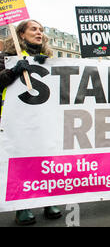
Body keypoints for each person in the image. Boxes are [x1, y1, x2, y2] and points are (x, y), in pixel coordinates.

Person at [0, 20, 63, 225]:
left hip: (42, 118)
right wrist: (13, 72)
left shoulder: (48, 59)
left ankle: (48, 201)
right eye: (34, 29)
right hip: (16, 120)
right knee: (21, 160)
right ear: (21, 34)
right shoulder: (7, 58)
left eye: (41, 30)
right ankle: (22, 206)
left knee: (46, 158)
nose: (39, 33)